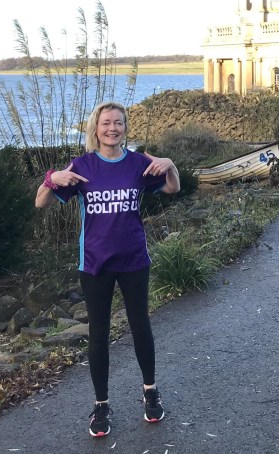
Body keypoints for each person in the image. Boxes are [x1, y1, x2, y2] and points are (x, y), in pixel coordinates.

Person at [35, 101, 180, 438]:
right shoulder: (82, 166)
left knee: (140, 324)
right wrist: (50, 178)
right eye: (106, 123)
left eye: (118, 123)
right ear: (95, 129)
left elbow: (173, 188)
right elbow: (41, 202)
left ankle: (150, 391)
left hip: (133, 259)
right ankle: (101, 405)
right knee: (99, 332)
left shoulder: (139, 163)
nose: (112, 128)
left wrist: (170, 164)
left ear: (125, 127)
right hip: (95, 263)